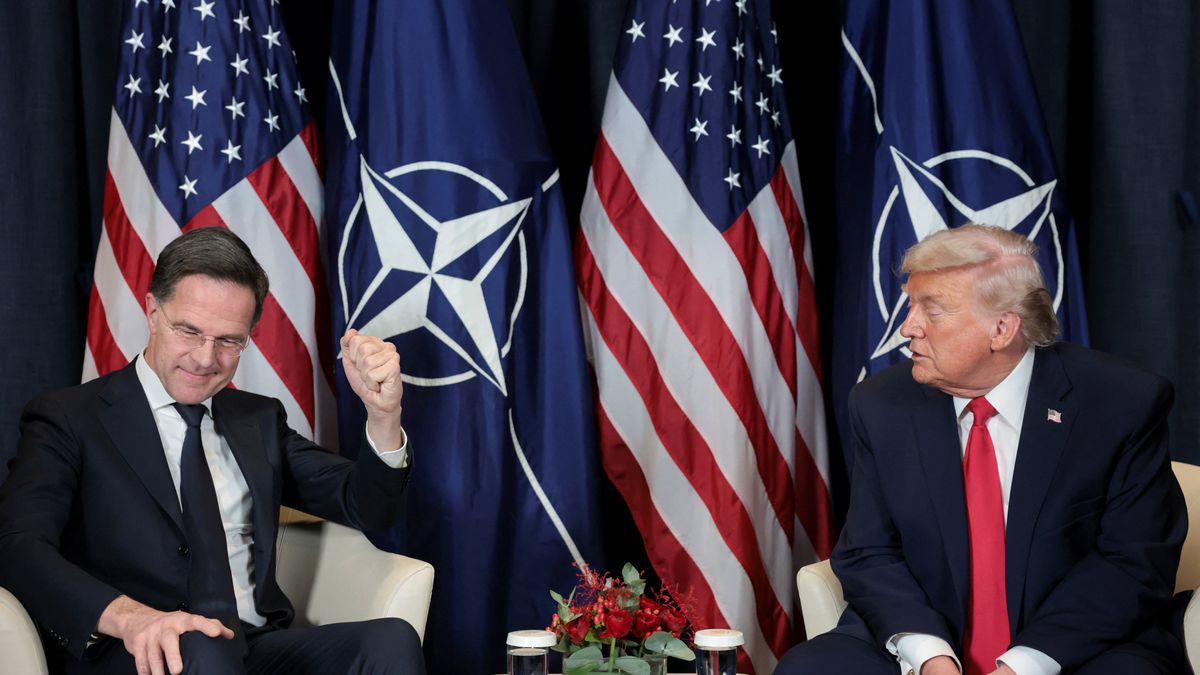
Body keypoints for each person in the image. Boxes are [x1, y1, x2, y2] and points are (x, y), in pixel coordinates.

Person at [0, 227, 425, 674]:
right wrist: (128, 617)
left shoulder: (257, 419)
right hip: (138, 651)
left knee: (388, 639)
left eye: (229, 341)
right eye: (188, 331)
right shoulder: (69, 417)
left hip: (253, 645)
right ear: (152, 311)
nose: (205, 359)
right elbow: (16, 546)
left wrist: (383, 415)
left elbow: (368, 508)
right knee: (200, 648)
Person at [776, 224, 1186, 675]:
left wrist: (1021, 666)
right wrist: (928, 655)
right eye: (910, 306)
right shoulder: (881, 404)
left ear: (1002, 328)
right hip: (923, 636)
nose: (907, 328)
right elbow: (867, 552)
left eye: (931, 311)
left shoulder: (1121, 402)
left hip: (1075, 646)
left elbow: (1133, 562)